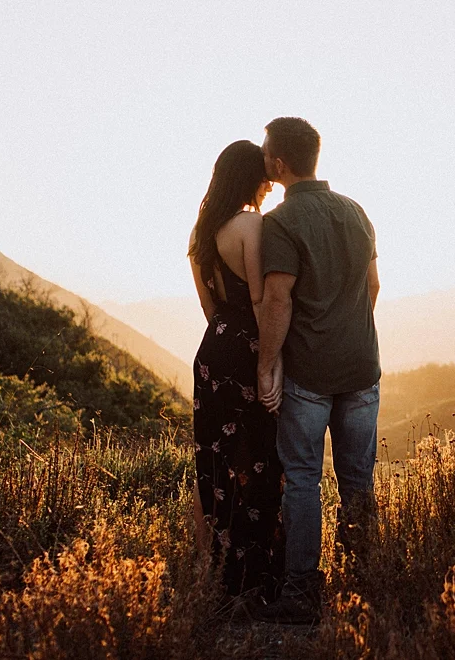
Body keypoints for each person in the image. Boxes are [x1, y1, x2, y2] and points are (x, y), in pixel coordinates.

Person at [254, 117, 381, 625]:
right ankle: (367, 581)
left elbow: (277, 300)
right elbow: (373, 285)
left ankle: (303, 593)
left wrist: (266, 365)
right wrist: (349, 330)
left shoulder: (281, 222)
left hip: (309, 374)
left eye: (266, 152)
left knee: (304, 478)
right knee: (358, 480)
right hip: (362, 369)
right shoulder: (356, 211)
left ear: (279, 163)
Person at [188, 140, 284, 604]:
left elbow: (210, 308)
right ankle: (256, 576)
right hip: (250, 348)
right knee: (261, 457)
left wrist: (227, 339)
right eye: (264, 177)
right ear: (249, 177)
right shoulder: (251, 225)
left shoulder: (201, 232)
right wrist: (270, 363)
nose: (269, 185)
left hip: (213, 350)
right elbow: (263, 301)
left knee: (214, 459)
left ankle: (213, 571)